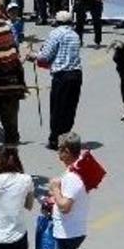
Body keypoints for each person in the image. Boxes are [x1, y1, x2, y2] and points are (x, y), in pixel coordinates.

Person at [47, 133, 91, 249]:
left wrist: (55, 189)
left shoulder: (72, 177)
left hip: (67, 233)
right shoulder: (75, 170)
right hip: (71, 230)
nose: (58, 153)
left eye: (60, 149)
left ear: (67, 151)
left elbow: (65, 206)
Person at [29, 11, 82, 150]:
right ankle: (66, 138)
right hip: (76, 75)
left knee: (57, 109)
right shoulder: (75, 34)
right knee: (70, 108)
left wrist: (33, 55)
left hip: (62, 75)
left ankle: (55, 140)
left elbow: (45, 57)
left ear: (57, 22)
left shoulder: (55, 33)